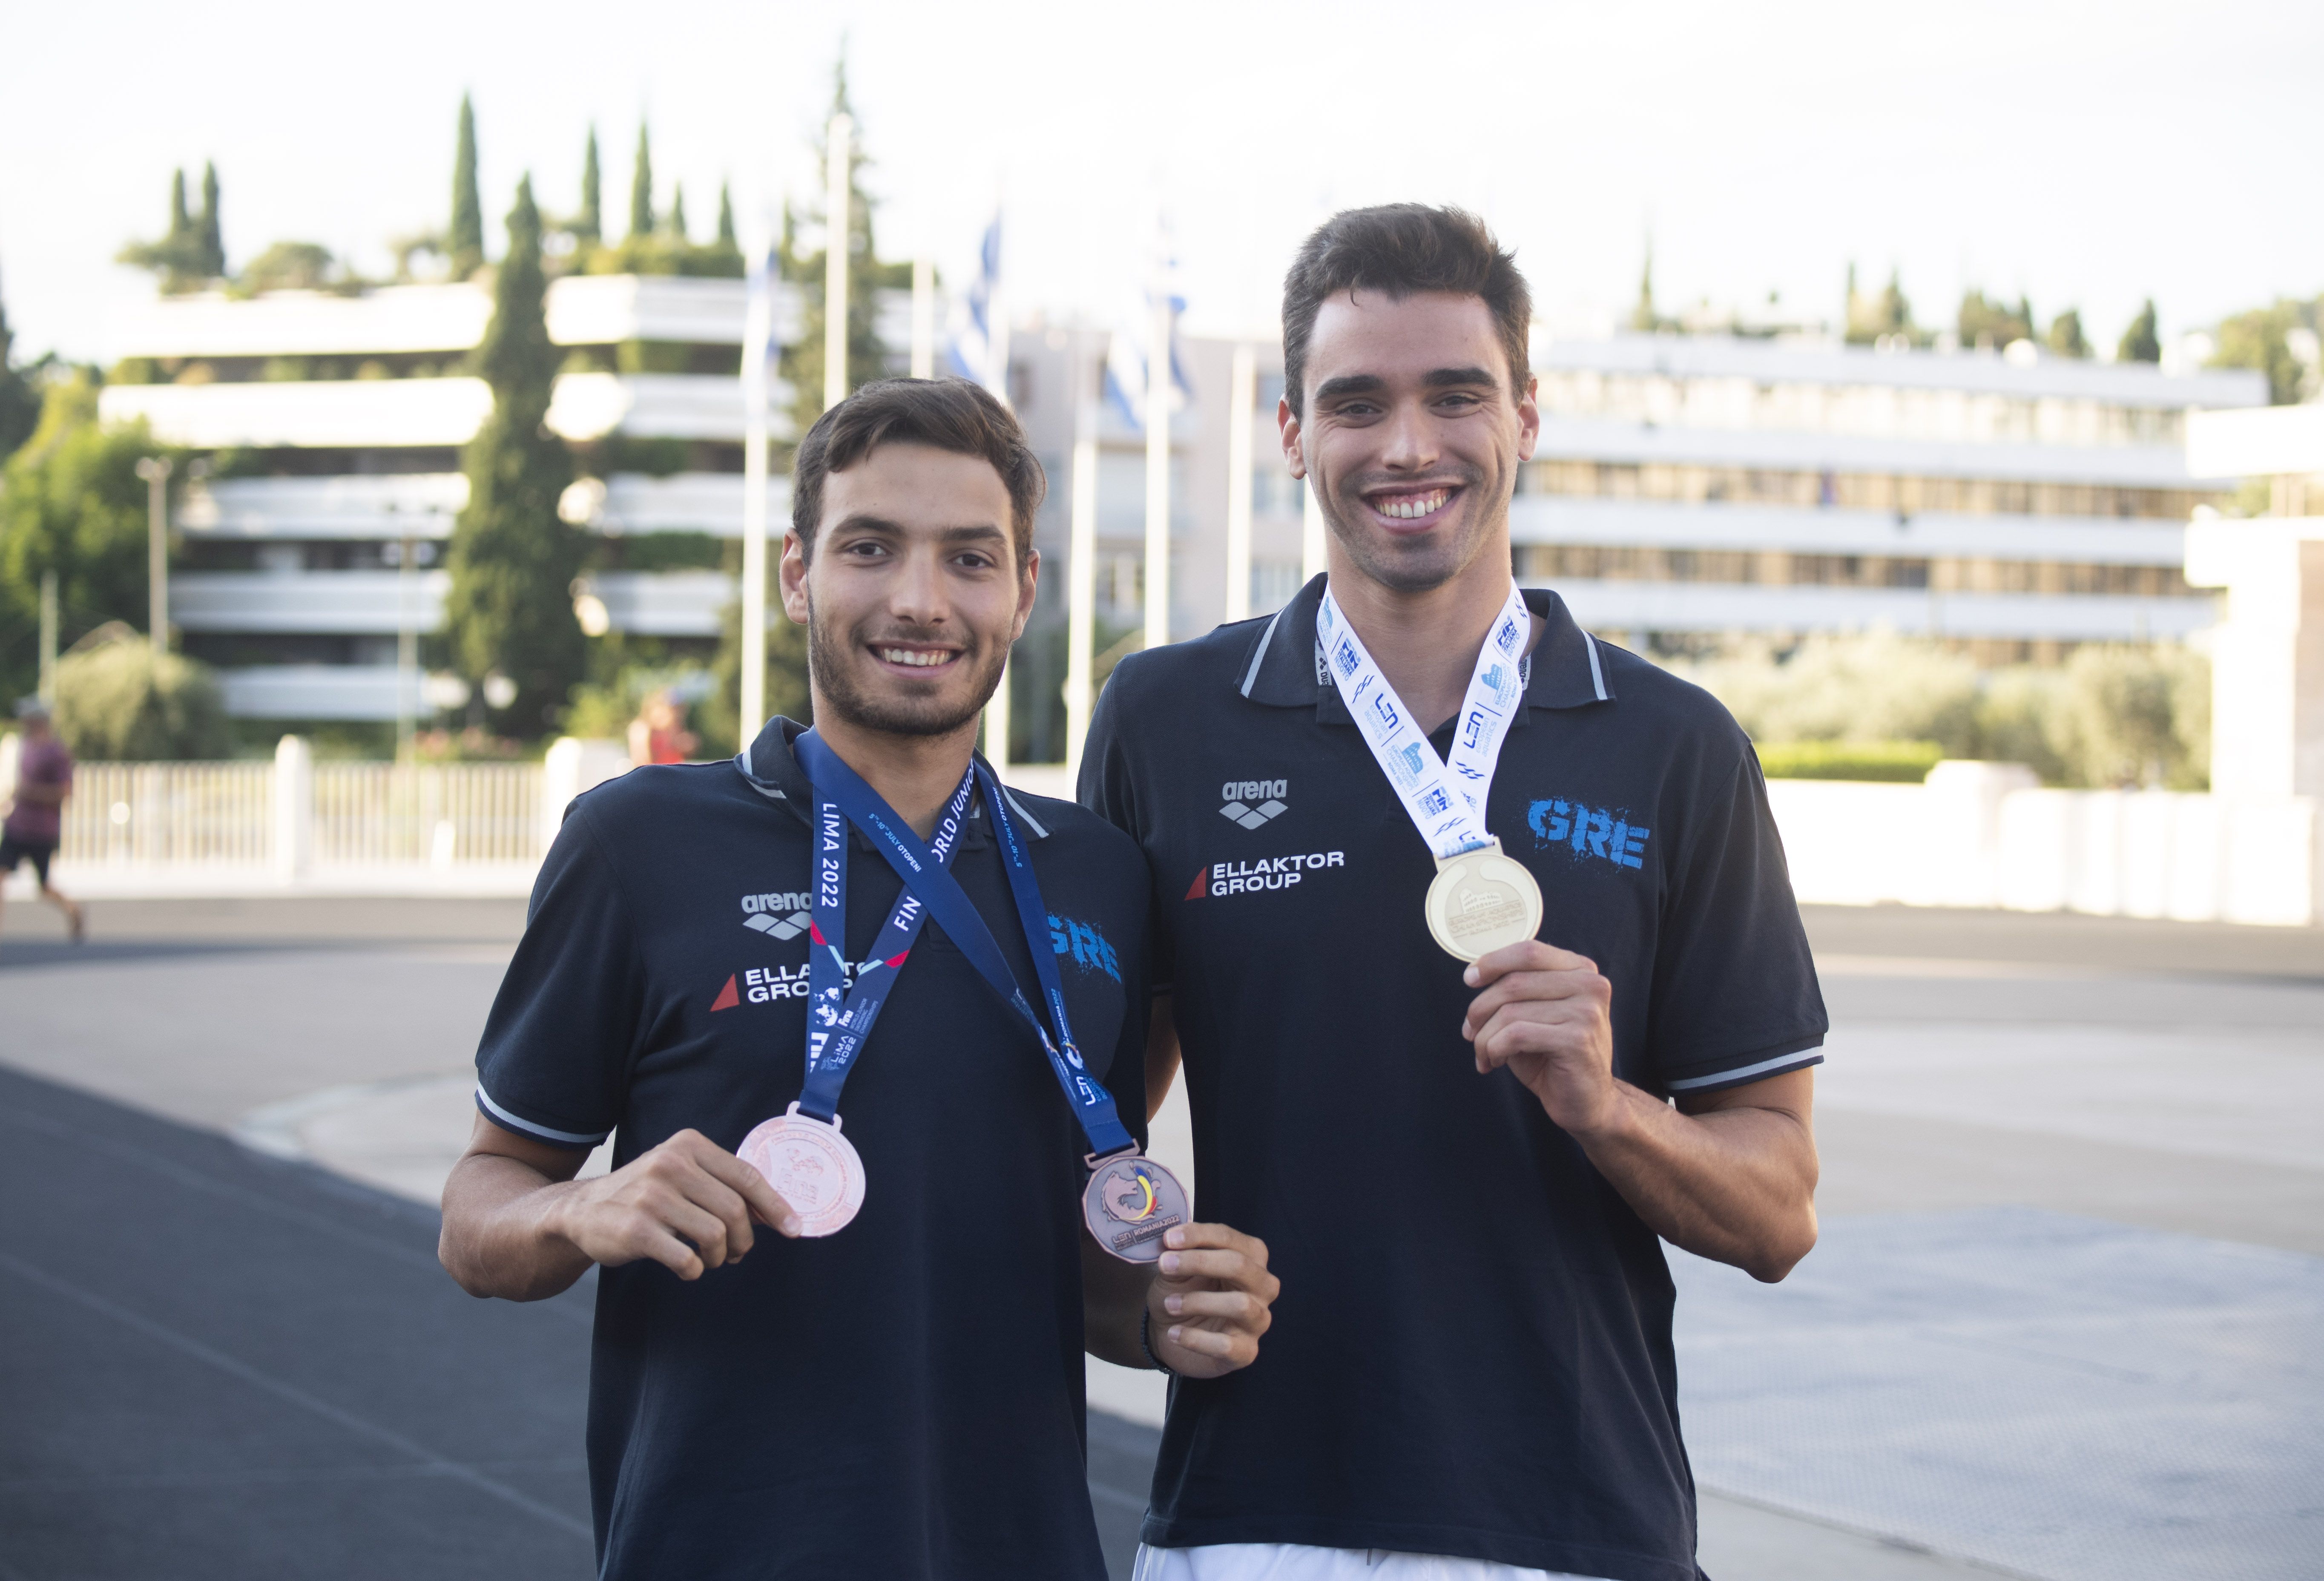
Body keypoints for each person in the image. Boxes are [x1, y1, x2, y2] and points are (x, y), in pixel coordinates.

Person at [1082, 206, 1827, 1581]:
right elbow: (1080, 1135)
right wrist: (1135, 1309)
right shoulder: (1165, 719)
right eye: (1356, 403)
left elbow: (1777, 1212)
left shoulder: (1673, 745)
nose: (1408, 446)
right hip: (1251, 1516)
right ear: (1293, 432)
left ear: (1526, 416)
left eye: (1456, 396)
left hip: (1573, 1524)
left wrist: (1605, 1107)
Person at [439, 378, 1278, 1580]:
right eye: (870, 547)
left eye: (969, 559)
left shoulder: (1096, 875)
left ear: (1024, 590)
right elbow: (479, 1215)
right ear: (798, 573)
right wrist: (580, 1208)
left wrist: (1164, 1315)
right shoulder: (637, 845)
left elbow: (1070, 1256)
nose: (920, 600)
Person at [1, 698, 86, 945]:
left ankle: (72, 909)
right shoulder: (25, 747)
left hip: (42, 830)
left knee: (44, 888)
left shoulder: (57, 753)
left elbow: (64, 792)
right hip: (17, 826)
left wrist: (30, 793)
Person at [626, 687, 696, 766]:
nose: (677, 714)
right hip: (655, 772)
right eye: (673, 709)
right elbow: (642, 763)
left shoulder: (675, 728)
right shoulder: (641, 729)